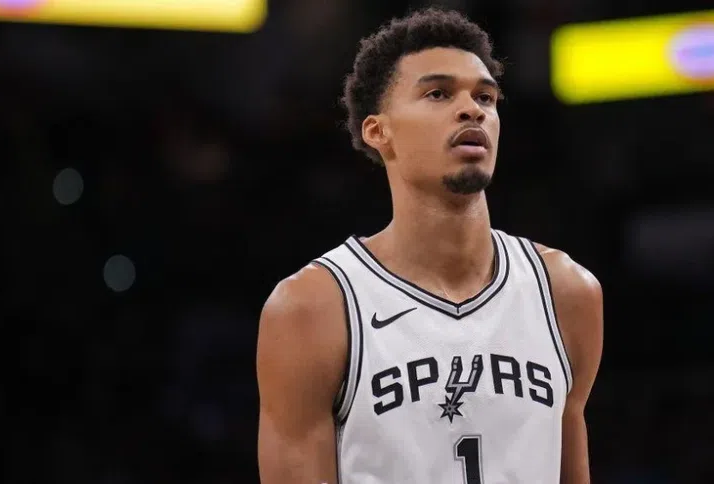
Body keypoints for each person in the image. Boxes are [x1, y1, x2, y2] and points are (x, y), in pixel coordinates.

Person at [256, 7, 603, 484]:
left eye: (485, 97)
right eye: (438, 93)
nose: (472, 109)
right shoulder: (312, 308)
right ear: (378, 131)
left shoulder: (566, 292)